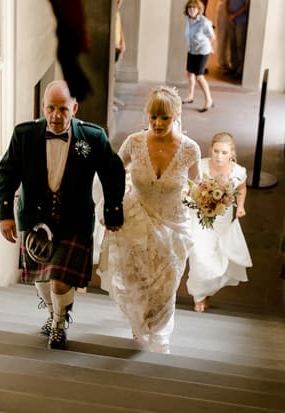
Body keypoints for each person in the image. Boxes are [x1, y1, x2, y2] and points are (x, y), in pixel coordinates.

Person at [0, 80, 126, 351]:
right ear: (43, 106)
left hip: (74, 222)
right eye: (50, 108)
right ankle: (52, 313)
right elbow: (7, 172)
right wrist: (4, 212)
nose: (56, 115)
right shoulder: (25, 134)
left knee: (58, 281)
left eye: (63, 109)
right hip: (34, 220)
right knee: (41, 281)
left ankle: (58, 325)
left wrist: (113, 209)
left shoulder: (93, 137)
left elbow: (113, 171)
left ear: (74, 108)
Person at [98, 85, 201, 354]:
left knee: (166, 288)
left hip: (173, 226)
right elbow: (112, 172)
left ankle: (161, 339)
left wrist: (210, 199)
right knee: (137, 282)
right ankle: (140, 322)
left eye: (164, 118)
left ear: (176, 115)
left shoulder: (191, 150)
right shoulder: (134, 142)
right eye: (153, 117)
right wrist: (111, 204)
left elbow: (197, 184)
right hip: (136, 221)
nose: (157, 123)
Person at [187, 132, 251, 312]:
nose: (219, 156)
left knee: (218, 257)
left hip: (222, 219)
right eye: (216, 151)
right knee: (199, 253)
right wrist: (193, 196)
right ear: (211, 150)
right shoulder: (200, 165)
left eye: (224, 152)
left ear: (232, 152)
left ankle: (207, 294)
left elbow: (242, 188)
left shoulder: (238, 172)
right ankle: (199, 297)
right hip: (198, 216)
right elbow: (189, 185)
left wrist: (240, 206)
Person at [182, 0, 216, 113]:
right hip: (192, 50)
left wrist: (211, 47)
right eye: (190, 7)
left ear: (199, 9)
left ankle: (209, 100)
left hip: (202, 51)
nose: (192, 10)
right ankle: (190, 96)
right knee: (190, 73)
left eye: (194, 8)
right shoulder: (187, 19)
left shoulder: (204, 22)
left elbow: (212, 36)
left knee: (199, 77)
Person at [225, 0, 249, 79]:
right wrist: (228, 15)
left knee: (240, 45)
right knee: (232, 44)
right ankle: (233, 67)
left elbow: (246, 6)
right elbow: (227, 2)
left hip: (241, 20)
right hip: (230, 19)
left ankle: (240, 70)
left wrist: (234, 15)